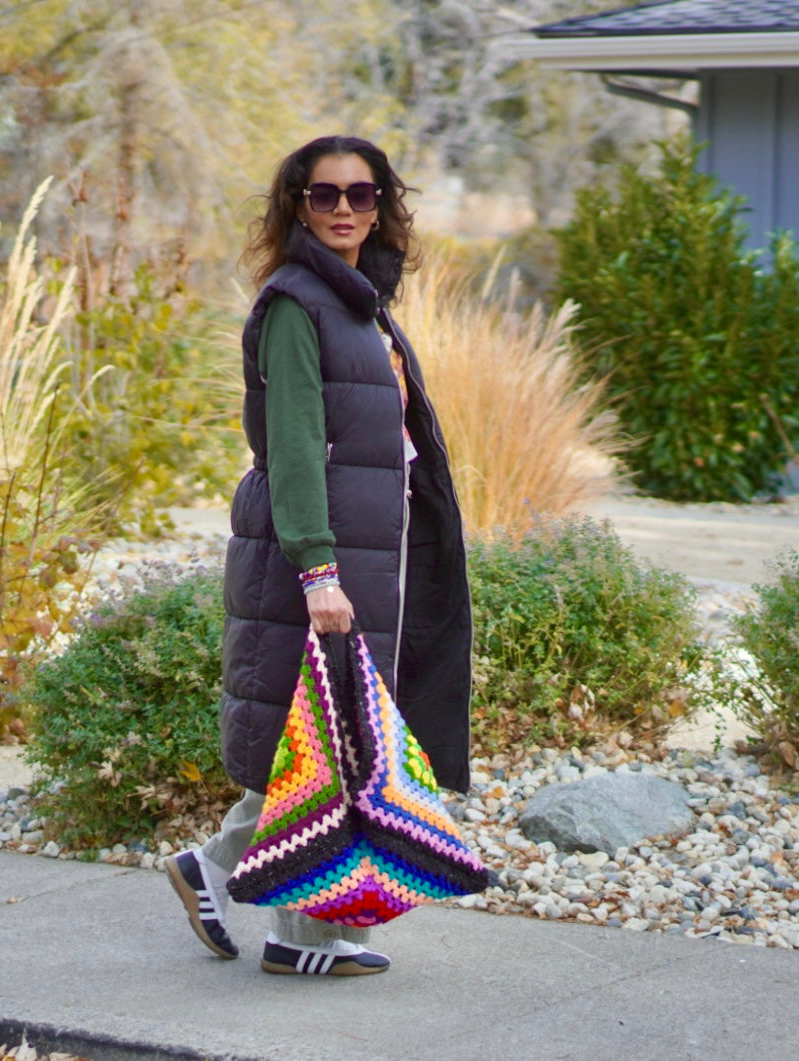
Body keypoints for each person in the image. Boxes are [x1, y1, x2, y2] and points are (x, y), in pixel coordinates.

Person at [166, 135, 473, 977]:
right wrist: (318, 569)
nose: (344, 208)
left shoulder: (359, 301)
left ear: (383, 207)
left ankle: (231, 877)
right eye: (324, 195)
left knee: (332, 735)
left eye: (362, 195)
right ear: (297, 205)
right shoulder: (298, 304)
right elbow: (296, 448)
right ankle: (295, 932)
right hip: (319, 552)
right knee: (318, 738)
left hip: (371, 546)